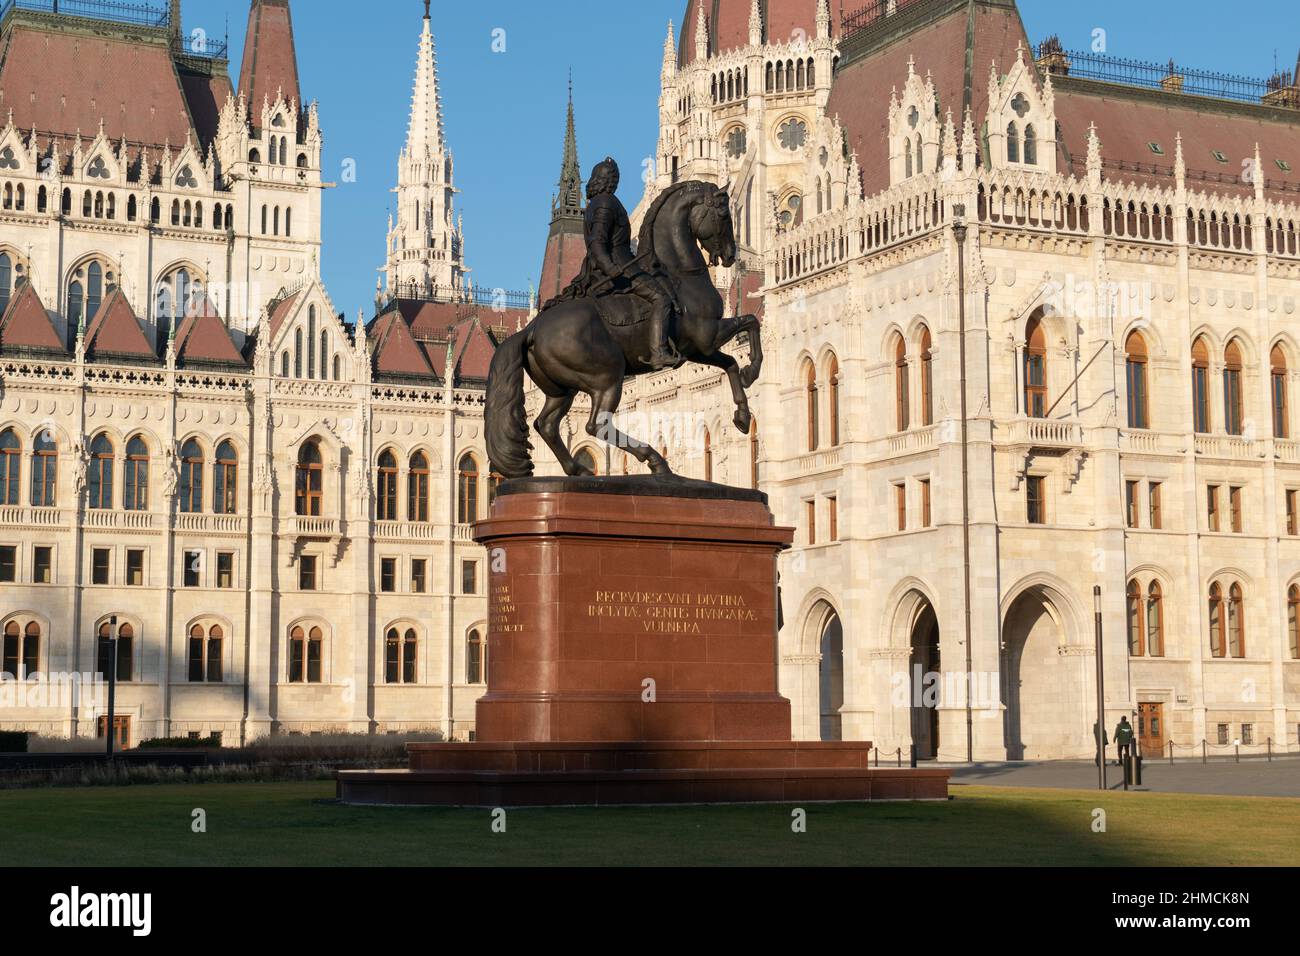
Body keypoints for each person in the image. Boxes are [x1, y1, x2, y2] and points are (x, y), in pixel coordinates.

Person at [571, 157, 682, 370]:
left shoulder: (594, 204)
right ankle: (659, 352)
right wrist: (610, 267)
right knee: (661, 298)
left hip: (610, 267)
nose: (616, 182)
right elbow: (597, 243)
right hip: (619, 268)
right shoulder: (606, 203)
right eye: (614, 178)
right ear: (608, 180)